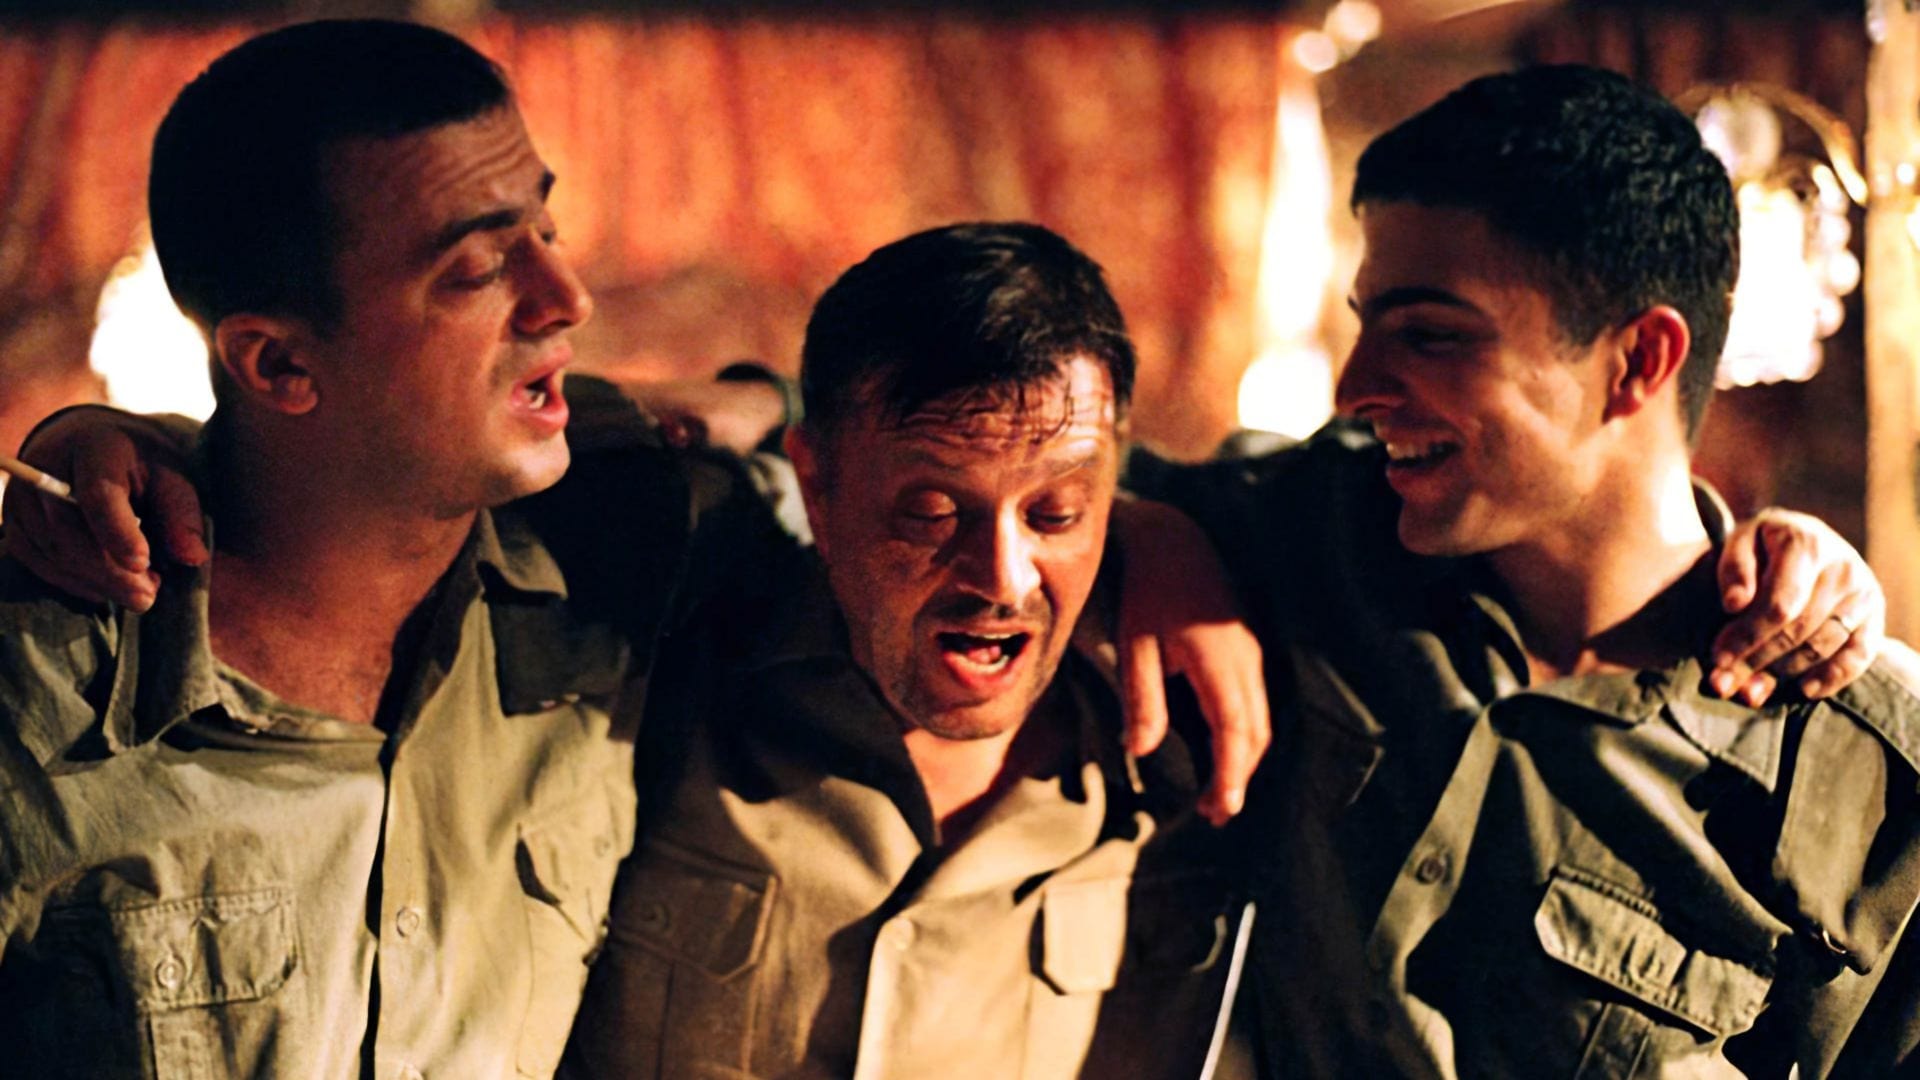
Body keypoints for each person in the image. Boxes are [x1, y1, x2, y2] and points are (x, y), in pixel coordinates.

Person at [0, 20, 778, 1078]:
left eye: (546, 227)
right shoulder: (43, 693)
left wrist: (764, 396)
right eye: (477, 269)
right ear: (279, 366)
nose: (567, 299)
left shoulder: (613, 570)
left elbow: (887, 449)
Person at [1145, 65, 1920, 1076]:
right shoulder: (1325, 525)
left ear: (1639, 361)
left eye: (1430, 334)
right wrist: (1160, 542)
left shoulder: (1862, 779)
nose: (1354, 386)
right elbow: (1053, 484)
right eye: (1367, 320)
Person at [559, 223, 1249, 1078]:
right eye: (932, 513)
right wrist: (758, 400)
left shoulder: (1188, 756)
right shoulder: (674, 663)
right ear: (817, 484)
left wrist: (1168, 532)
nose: (1002, 578)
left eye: (1056, 513)